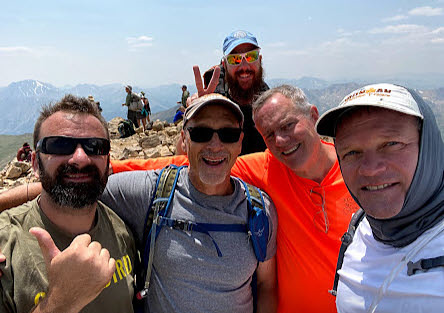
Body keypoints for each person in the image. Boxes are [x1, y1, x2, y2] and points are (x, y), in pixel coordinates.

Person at [1, 94, 278, 313]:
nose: (215, 144)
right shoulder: (151, 193)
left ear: (240, 142)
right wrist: (61, 302)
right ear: (184, 139)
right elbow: (72, 182)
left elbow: (266, 286)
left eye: (227, 134)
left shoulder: (259, 209)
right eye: (201, 133)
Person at [108, 85, 360, 312]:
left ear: (313, 116)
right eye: (270, 135)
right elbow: (184, 165)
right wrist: (98, 164)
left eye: (288, 125)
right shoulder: (265, 168)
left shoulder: (360, 171)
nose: (282, 140)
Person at [0, 95, 136, 312]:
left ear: (108, 162)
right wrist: (60, 301)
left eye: (95, 146)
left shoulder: (122, 230)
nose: (80, 158)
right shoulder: (6, 245)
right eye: (60, 145)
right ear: (35, 163)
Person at [316, 83, 444, 312]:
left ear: (428, 147)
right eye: (352, 152)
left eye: (391, 144)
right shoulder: (358, 229)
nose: (370, 169)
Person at [190, 30, 269, 155]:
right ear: (224, 65)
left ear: (259, 60)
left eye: (251, 56)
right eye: (235, 59)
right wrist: (196, 115)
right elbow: (183, 152)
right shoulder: (214, 102)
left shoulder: (270, 106)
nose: (244, 66)